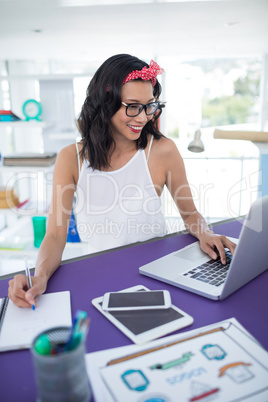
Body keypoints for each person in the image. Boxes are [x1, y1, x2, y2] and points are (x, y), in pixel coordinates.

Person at [8, 54, 236, 308]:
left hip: (157, 270)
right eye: (132, 106)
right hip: (100, 272)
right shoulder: (71, 158)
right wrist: (40, 276)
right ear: (105, 103)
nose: (142, 117)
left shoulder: (163, 151)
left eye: (149, 105)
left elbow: (190, 213)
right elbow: (55, 234)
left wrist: (206, 234)